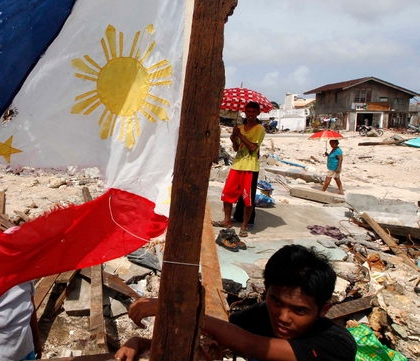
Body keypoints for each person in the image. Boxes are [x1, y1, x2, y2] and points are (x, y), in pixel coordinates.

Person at [115, 245, 357, 361]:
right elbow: (218, 335)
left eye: (300, 310)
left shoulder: (336, 345)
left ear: (324, 309)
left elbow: (251, 345)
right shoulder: (262, 315)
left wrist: (175, 309)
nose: (283, 317)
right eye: (276, 301)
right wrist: (141, 343)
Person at [212, 101, 265, 239]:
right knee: (227, 194)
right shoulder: (240, 127)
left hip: (250, 167)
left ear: (258, 113)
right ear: (245, 113)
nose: (251, 114)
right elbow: (236, 149)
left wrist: (240, 135)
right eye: (248, 112)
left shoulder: (260, 129)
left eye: (253, 112)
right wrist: (233, 138)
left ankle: (244, 226)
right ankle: (227, 220)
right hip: (237, 165)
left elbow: (253, 147)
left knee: (248, 199)